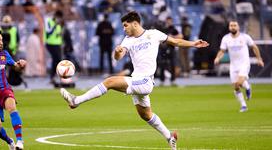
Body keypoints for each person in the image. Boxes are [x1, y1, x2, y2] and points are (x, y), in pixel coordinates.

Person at [60, 11, 209, 150]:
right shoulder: (127, 40)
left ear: (135, 23)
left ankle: (76, 101)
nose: (124, 28)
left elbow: (175, 42)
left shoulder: (153, 34)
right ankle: (169, 137)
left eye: (125, 25)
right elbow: (118, 56)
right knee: (145, 115)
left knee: (110, 82)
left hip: (145, 82)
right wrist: (117, 52)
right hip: (136, 80)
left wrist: (194, 43)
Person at [214, 20, 264, 112]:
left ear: (238, 27)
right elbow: (222, 51)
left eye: (234, 25)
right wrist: (217, 58)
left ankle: (247, 87)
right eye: (231, 25)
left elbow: (254, 47)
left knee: (239, 83)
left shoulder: (245, 37)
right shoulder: (226, 38)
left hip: (244, 64)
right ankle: (244, 105)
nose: (233, 27)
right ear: (229, 27)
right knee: (235, 87)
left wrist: (259, 59)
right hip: (233, 65)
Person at [44, 10, 63, 84]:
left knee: (56, 60)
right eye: (58, 17)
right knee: (57, 59)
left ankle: (53, 77)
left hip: (57, 44)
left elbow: (58, 35)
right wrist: (55, 25)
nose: (59, 19)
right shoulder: (49, 21)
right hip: (50, 43)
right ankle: (54, 77)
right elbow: (48, 32)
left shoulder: (59, 24)